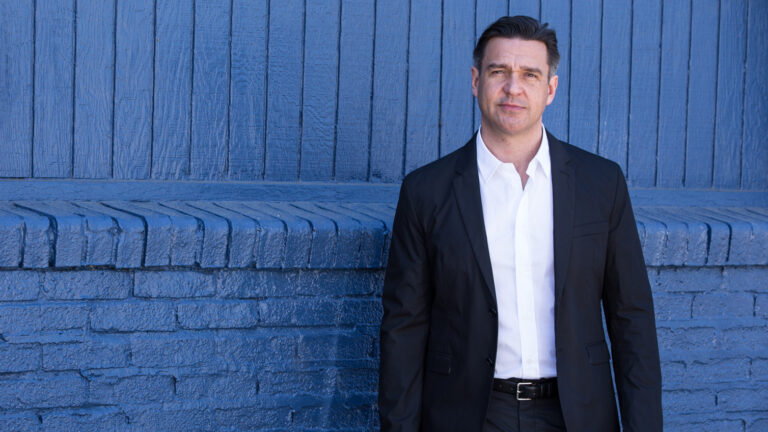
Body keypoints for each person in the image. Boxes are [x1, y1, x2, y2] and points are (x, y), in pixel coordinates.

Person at [378, 15, 662, 432]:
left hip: (577, 414)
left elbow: (631, 317)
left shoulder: (601, 184)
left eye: (529, 74)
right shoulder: (427, 191)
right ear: (476, 80)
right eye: (499, 72)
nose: (513, 88)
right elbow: (404, 327)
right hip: (468, 415)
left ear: (550, 89)